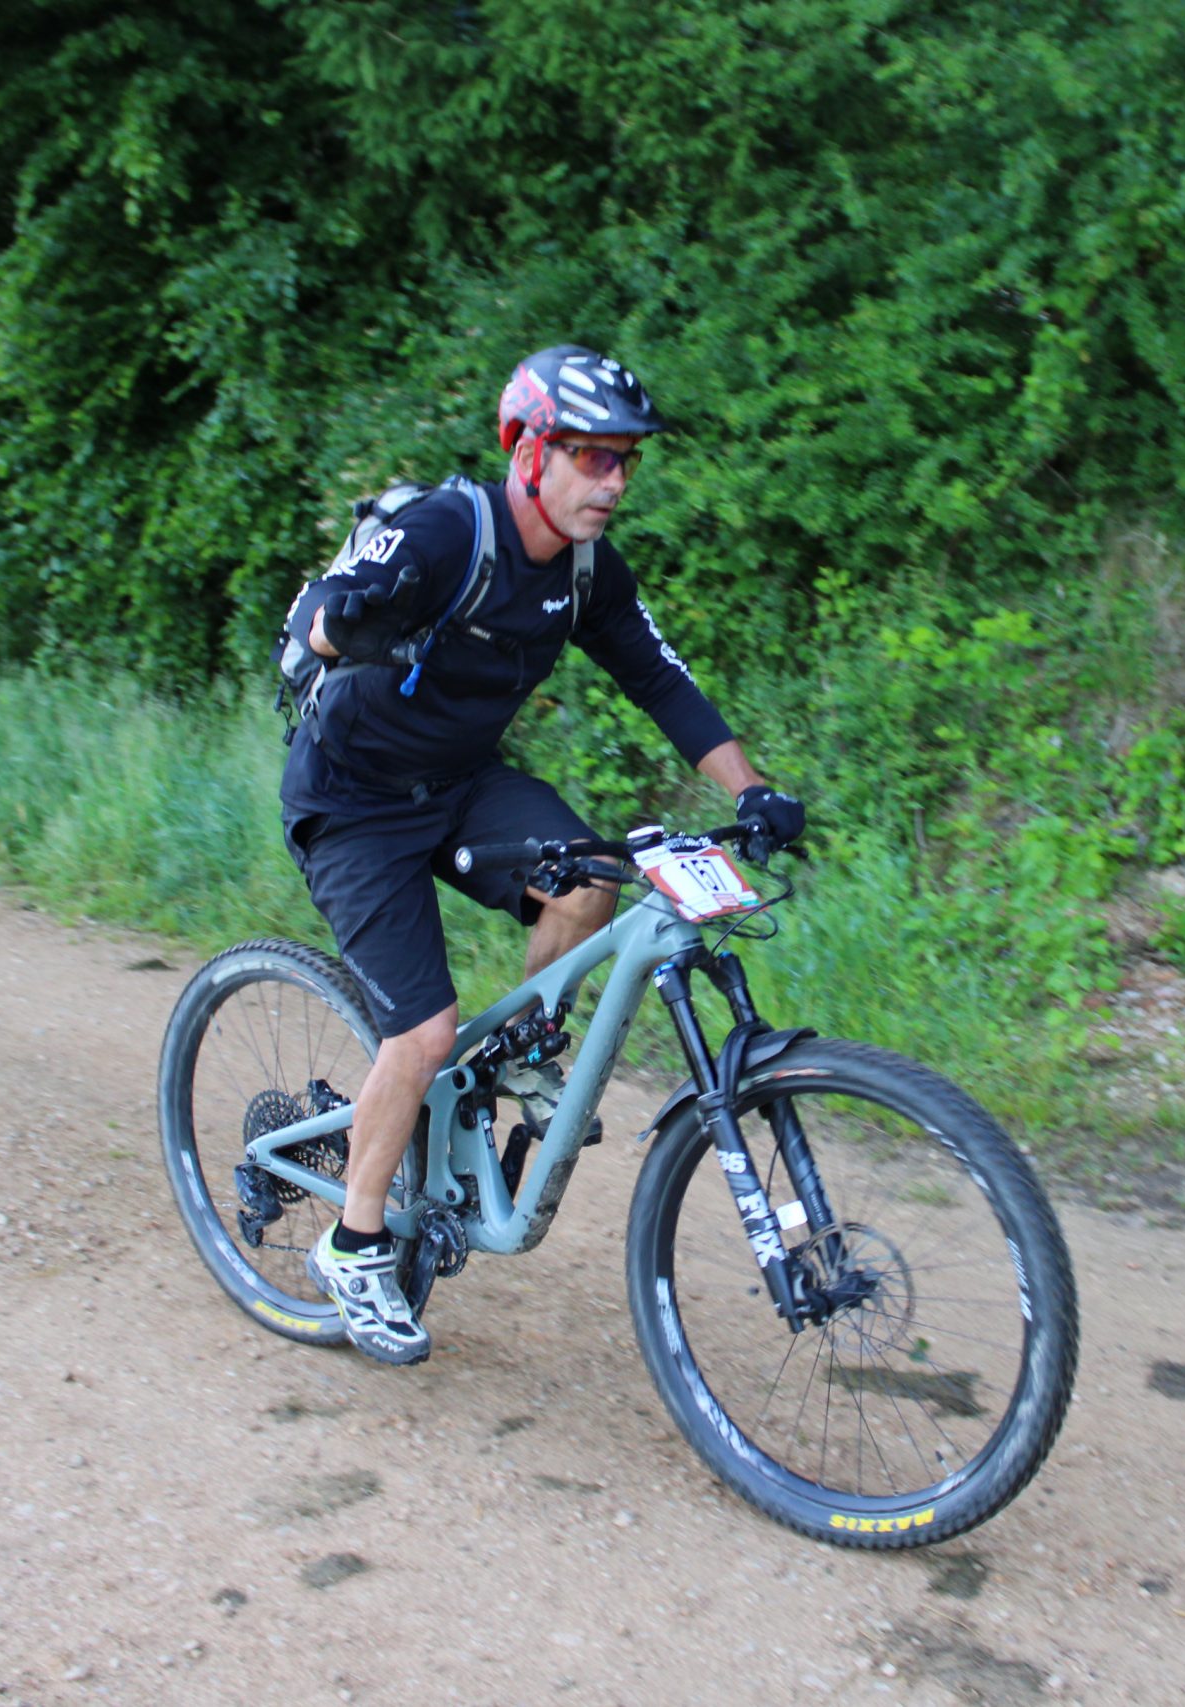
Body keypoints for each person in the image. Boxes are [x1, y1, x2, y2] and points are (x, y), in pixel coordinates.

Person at [279, 344, 805, 1366]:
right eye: (592, 457)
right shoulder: (445, 532)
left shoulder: (584, 568)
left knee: (589, 881)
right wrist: (354, 626)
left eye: (626, 461)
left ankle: (519, 1057)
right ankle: (353, 1245)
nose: (614, 482)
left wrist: (750, 789)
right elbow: (316, 617)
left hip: (463, 784)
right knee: (423, 1032)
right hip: (354, 803)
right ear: (529, 451)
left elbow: (659, 677)